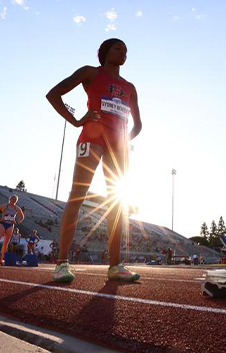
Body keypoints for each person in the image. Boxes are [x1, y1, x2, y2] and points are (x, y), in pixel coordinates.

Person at [46, 38, 142, 283]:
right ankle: (62, 263)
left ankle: (115, 266)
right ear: (104, 52)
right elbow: (53, 94)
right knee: (78, 194)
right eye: (118, 48)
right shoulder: (90, 72)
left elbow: (139, 124)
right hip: (92, 138)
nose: (123, 52)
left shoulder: (130, 87)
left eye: (126, 50)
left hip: (117, 148)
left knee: (117, 203)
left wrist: (124, 140)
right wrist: (76, 120)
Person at [0, 195, 25, 265]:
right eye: (13, 199)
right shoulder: (5, 206)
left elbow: (22, 217)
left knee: (6, 243)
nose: (14, 201)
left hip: (10, 225)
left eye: (15, 200)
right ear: (10, 199)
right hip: (3, 224)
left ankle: (1, 259)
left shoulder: (17, 208)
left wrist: (17, 222)